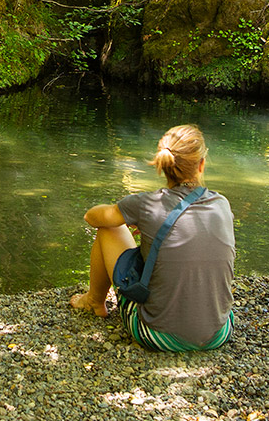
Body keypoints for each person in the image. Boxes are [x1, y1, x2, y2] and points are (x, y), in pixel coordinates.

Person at [69, 124, 235, 352]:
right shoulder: (221, 204)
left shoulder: (147, 204)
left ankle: (94, 302)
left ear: (163, 166)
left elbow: (92, 217)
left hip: (158, 336)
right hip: (218, 334)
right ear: (201, 165)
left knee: (109, 229)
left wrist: (127, 216)